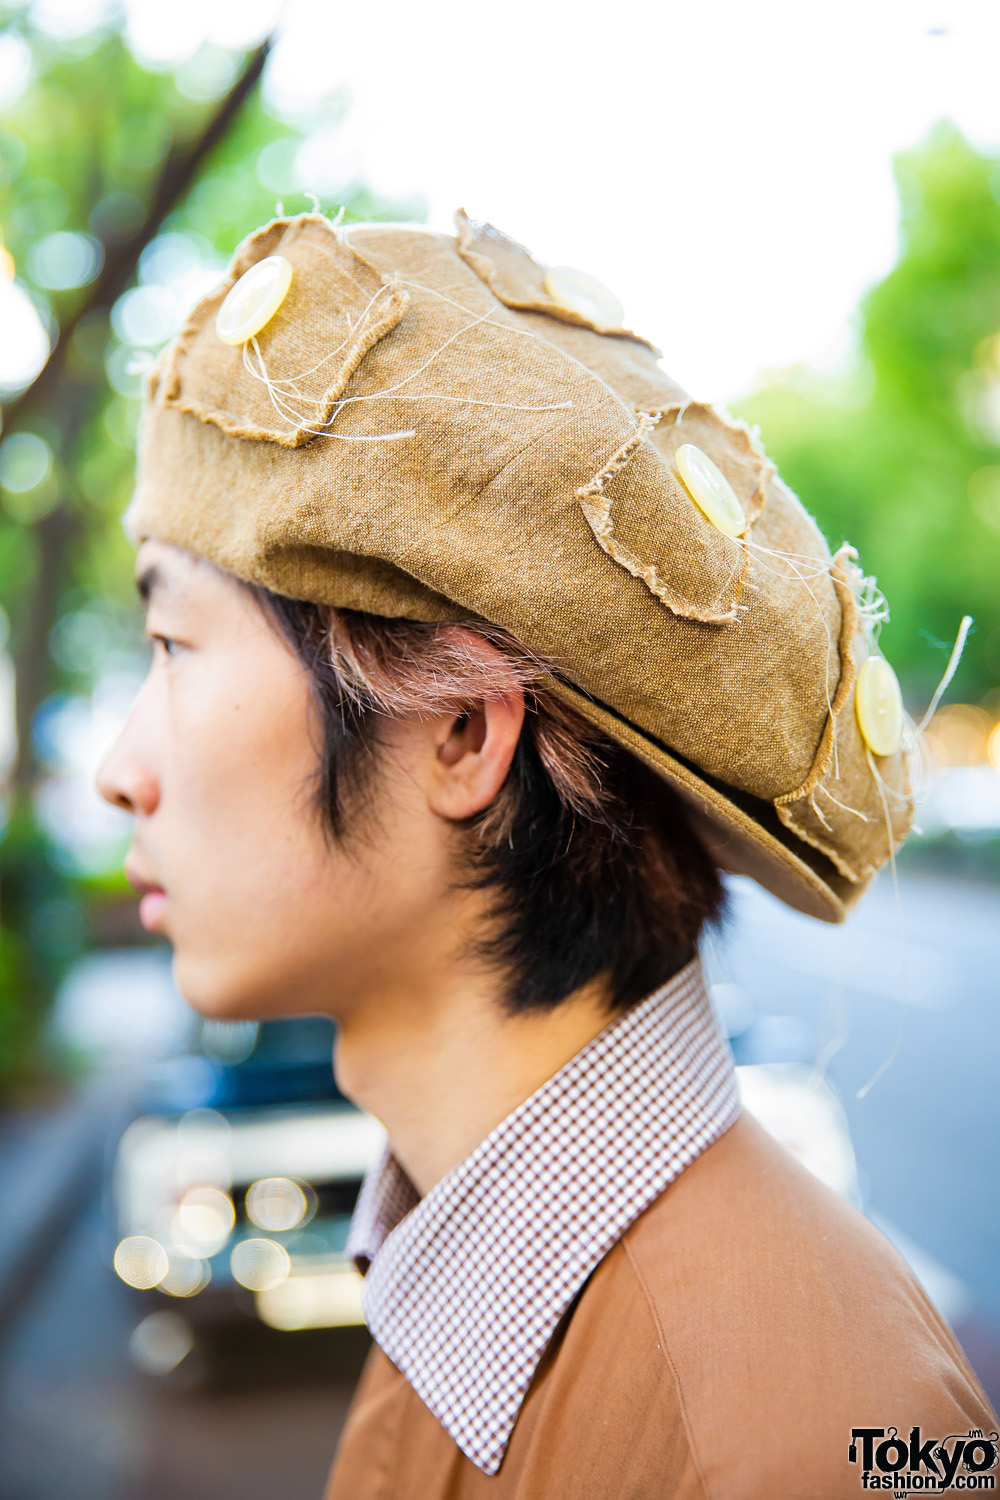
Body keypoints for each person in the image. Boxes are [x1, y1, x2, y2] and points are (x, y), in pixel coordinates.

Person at [97, 208, 997, 1498]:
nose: (117, 767)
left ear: (460, 730)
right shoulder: (469, 1285)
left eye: (175, 648)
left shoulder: (811, 1435)